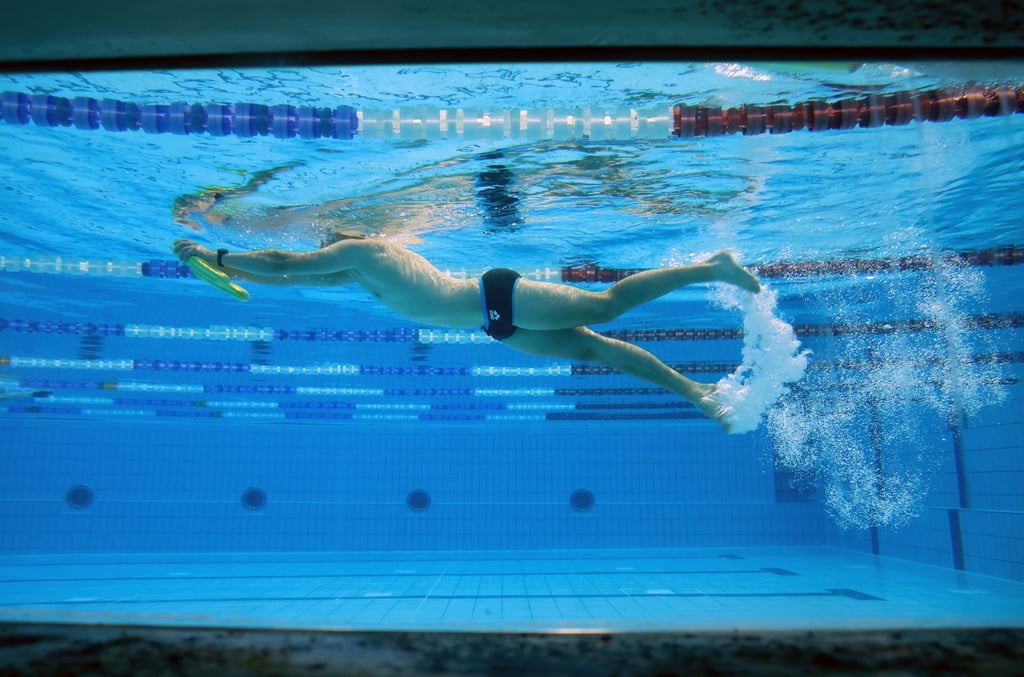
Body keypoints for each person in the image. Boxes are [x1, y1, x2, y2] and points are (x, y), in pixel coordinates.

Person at [172, 236, 761, 431]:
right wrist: (224, 272)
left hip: (495, 294)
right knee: (593, 351)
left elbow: (282, 262)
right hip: (490, 322)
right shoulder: (354, 270)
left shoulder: (365, 251)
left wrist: (217, 253)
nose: (317, 252)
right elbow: (285, 278)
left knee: (605, 309)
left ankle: (712, 265)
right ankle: (699, 394)